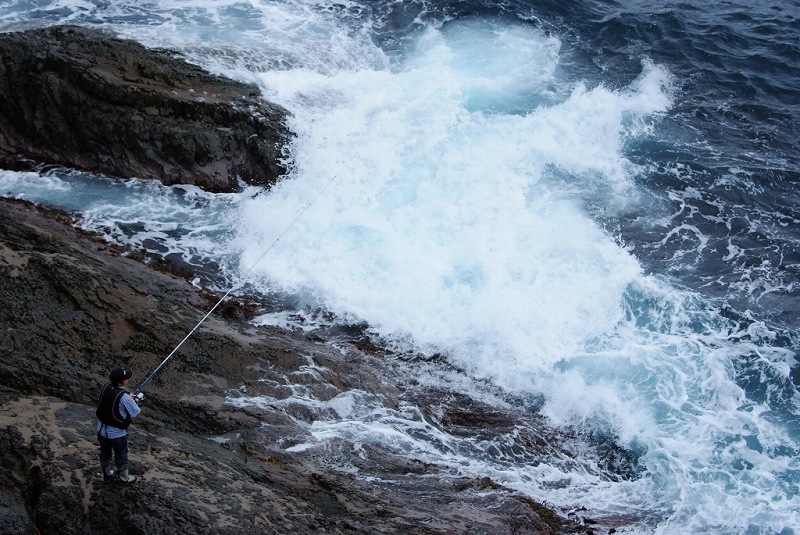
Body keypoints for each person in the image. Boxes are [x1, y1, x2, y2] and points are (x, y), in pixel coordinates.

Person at [96, 368, 142, 484]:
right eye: (126, 378)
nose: (128, 379)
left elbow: (114, 396)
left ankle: (107, 474)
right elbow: (135, 412)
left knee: (105, 453)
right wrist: (135, 401)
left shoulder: (105, 387)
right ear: (121, 382)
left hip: (101, 431)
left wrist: (127, 396)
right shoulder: (125, 397)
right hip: (117, 434)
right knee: (121, 455)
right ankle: (124, 478)